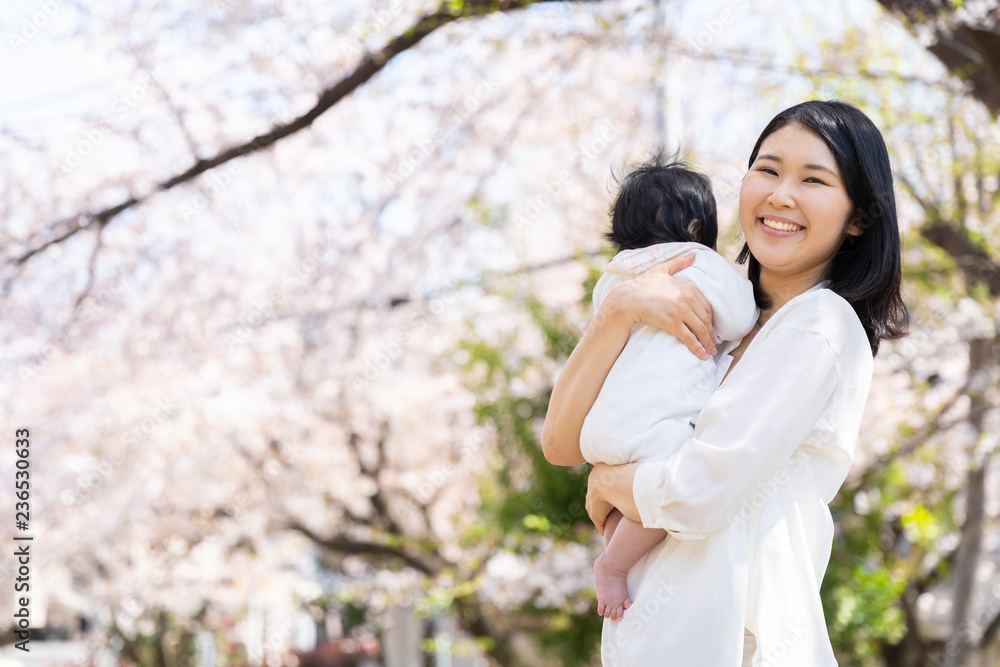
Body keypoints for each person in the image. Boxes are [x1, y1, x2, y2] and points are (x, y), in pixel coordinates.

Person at [541, 100, 907, 666]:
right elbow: (561, 444)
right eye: (768, 169)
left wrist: (610, 482)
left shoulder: (821, 324)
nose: (782, 194)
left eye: (813, 179)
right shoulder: (709, 311)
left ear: (858, 217)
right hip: (650, 638)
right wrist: (618, 311)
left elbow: (696, 494)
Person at [580, 154, 758, 622]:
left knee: (630, 503)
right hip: (655, 429)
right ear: (697, 225)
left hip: (603, 428)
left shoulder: (615, 278)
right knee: (662, 489)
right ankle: (613, 565)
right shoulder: (696, 261)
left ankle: (618, 552)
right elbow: (740, 317)